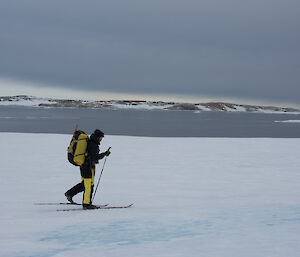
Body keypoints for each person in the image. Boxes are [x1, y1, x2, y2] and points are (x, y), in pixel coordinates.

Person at [65, 129, 111, 209]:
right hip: (87, 167)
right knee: (89, 186)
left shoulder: (91, 142)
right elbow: (94, 157)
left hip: (84, 166)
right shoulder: (93, 144)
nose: (101, 139)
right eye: (101, 137)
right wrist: (104, 154)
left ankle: (70, 193)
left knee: (85, 184)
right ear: (97, 137)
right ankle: (86, 204)